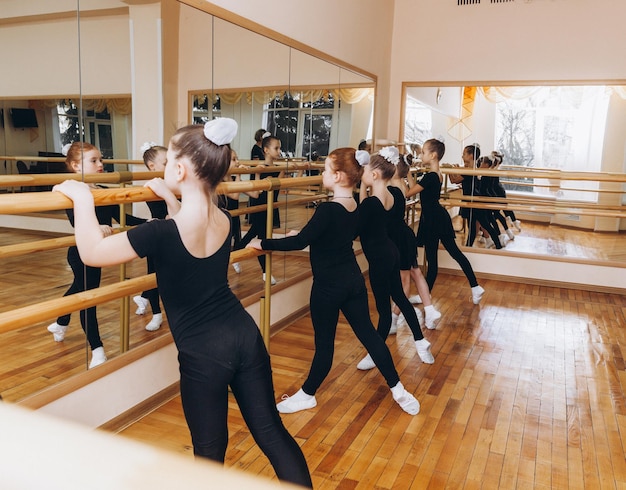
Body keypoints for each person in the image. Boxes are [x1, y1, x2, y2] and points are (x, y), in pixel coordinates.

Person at [52, 119, 312, 488]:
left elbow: (92, 252)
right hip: (244, 334)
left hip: (204, 353)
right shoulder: (221, 219)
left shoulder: (162, 232)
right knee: (272, 432)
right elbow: (190, 228)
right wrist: (171, 196)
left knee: (208, 455)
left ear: (179, 168)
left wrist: (82, 198)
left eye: (169, 157)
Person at [246, 148, 421, 416]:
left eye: (326, 170)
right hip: (353, 282)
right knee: (371, 337)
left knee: (325, 347)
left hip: (328, 287)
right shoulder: (356, 207)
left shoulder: (327, 209)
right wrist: (303, 233)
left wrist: (263, 242)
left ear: (338, 176)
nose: (323, 173)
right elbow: (320, 235)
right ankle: (399, 389)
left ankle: (306, 395)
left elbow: (301, 241)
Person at [47, 142, 146, 368]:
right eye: (93, 161)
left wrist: (150, 223)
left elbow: (123, 218)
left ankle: (61, 322)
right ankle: (97, 349)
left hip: (98, 252)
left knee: (78, 291)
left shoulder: (101, 190)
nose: (100, 164)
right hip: (81, 253)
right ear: (75, 165)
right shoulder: (72, 191)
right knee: (88, 299)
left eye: (100, 160)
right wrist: (97, 227)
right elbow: (77, 222)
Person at [356, 146, 434, 371]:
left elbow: (361, 218)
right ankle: (420, 341)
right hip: (392, 252)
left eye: (365, 171)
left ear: (374, 175)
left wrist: (362, 186)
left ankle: (375, 354)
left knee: (383, 312)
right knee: (400, 298)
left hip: (379, 259)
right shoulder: (396, 195)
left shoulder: (372, 203)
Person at [406, 138, 485, 304]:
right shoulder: (436, 175)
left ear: (433, 155)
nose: (421, 155)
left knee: (448, 255)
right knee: (435, 259)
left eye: (423, 152)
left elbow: (408, 193)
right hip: (434, 217)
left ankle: (475, 286)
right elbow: (415, 189)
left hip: (434, 218)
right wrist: (407, 172)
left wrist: (401, 176)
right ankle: (427, 295)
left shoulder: (430, 177)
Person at [388, 153, 441, 331]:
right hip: (405, 233)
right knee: (415, 273)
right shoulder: (400, 183)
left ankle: (394, 319)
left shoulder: (392, 185)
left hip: (398, 235)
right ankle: (429, 308)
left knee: (404, 280)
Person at [236, 134, 284, 284]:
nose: (279, 151)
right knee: (262, 238)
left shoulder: (278, 168)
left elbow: (282, 184)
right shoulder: (261, 167)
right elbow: (255, 192)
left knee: (252, 234)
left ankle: (234, 255)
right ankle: (265, 272)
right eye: (276, 148)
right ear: (266, 150)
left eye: (279, 148)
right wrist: (257, 172)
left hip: (271, 206)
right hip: (260, 207)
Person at [133, 142, 168, 331]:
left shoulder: (171, 183)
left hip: (173, 234)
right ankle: (156, 313)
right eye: (166, 163)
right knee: (153, 275)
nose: (170, 166)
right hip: (157, 235)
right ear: (152, 166)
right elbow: (161, 212)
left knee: (169, 275)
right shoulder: (151, 187)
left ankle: (144, 298)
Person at [449, 144, 503, 249]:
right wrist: (454, 171)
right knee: (474, 226)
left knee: (484, 225)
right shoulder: (471, 168)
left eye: (464, 154)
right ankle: (469, 246)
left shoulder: (470, 170)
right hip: (471, 201)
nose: (462, 156)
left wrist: (450, 171)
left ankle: (497, 245)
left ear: (471, 155)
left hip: (474, 202)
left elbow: (454, 180)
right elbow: (456, 179)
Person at [491, 150, 522, 232]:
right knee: (502, 209)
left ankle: (514, 222)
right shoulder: (493, 167)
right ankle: (511, 222)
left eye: (492, 157)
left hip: (498, 190)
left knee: (505, 207)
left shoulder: (496, 168)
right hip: (495, 190)